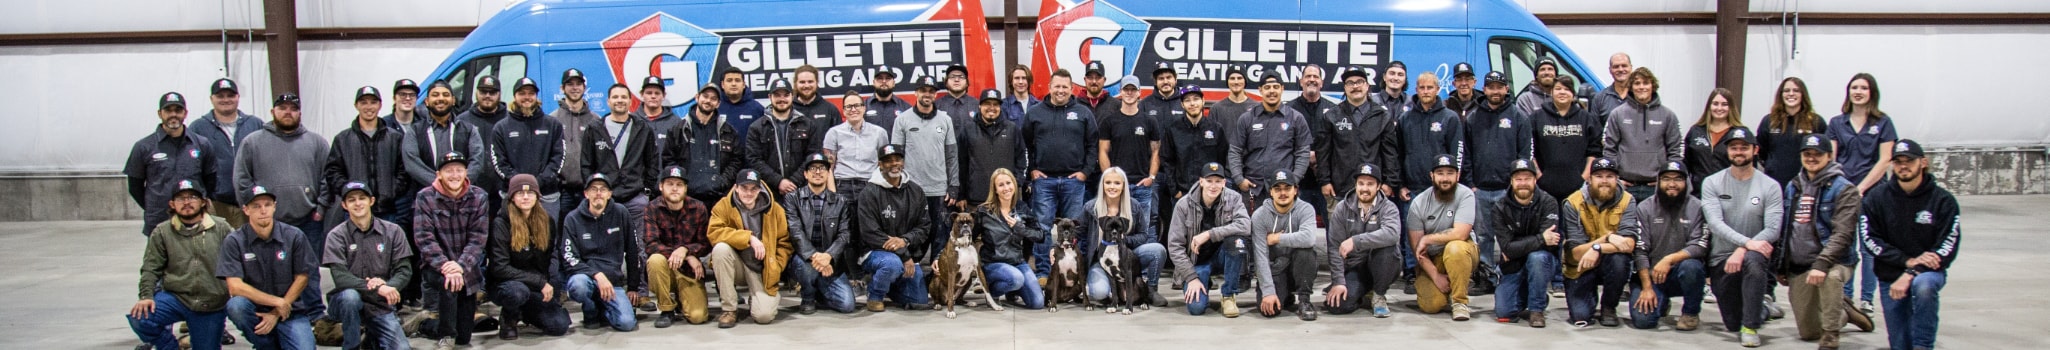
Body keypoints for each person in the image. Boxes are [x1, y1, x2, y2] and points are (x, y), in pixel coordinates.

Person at [1860, 139, 1959, 350]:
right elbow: (1870, 240)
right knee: (1900, 345)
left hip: (1928, 271)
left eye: (1909, 161)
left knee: (1923, 287)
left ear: (1923, 162)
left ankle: (1924, 346)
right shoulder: (1876, 198)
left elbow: (1947, 247)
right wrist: (1906, 261)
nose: (1903, 166)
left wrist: (1913, 271)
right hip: (1890, 274)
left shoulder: (1943, 201)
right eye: (1898, 161)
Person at [1781, 134, 1872, 350]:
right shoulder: (1793, 187)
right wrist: (1782, 265)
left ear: (1829, 156)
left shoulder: (1845, 189)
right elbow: (1786, 230)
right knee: (1808, 332)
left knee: (1831, 278)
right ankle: (1844, 313)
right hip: (1801, 264)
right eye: (1807, 154)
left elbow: (1843, 234)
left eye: (1817, 154)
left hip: (1835, 262)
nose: (1812, 158)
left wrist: (1822, 264)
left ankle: (1831, 334)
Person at [1700, 126, 1785, 347]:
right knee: (1731, 323)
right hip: (1721, 258)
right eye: (1734, 148)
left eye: (1744, 148)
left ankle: (1751, 327)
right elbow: (1715, 224)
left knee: (1754, 262)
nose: (1739, 152)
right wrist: (1746, 242)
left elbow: (1773, 229)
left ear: (1755, 150)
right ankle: (1762, 308)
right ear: (1728, 152)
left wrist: (1744, 249)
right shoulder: (1712, 183)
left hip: (1755, 255)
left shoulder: (1770, 186)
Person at [129, 180, 231, 350]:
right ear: (172, 204)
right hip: (176, 298)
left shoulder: (222, 228)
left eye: (192, 197)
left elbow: (237, 262)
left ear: (203, 202)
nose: (186, 203)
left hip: (211, 303)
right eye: (180, 198)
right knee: (140, 317)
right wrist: (146, 295)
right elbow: (150, 268)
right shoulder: (162, 231)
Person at [220, 185, 323, 350]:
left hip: (290, 312)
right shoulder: (234, 241)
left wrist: (277, 312)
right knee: (236, 306)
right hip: (256, 311)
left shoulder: (294, 235)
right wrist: (276, 302)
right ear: (246, 210)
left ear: (274, 206)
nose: (263, 210)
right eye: (256, 206)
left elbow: (302, 277)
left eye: (267, 205)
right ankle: (265, 345)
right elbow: (235, 286)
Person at [1826, 73, 1895, 313]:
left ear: (1871, 93)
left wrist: (1862, 188)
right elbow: (1831, 158)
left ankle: (1867, 299)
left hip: (1873, 193)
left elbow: (1885, 159)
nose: (1858, 91)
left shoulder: (1883, 123)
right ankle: (1846, 297)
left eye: (1863, 88)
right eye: (1854, 87)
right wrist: (1844, 188)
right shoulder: (1837, 123)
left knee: (1868, 247)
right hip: (1843, 192)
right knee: (1846, 244)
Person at [1464, 70, 1535, 295]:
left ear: (1506, 89)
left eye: (1499, 87)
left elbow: (1526, 154)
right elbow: (1465, 153)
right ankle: (1485, 277)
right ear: (1484, 90)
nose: (1495, 91)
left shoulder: (1518, 116)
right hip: (1481, 189)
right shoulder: (1473, 117)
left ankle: (1511, 277)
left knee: (1512, 236)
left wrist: (1517, 185)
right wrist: (1471, 184)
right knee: (1483, 236)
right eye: (1491, 87)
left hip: (1508, 191)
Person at [235, 93, 331, 257]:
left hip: (309, 222)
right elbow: (241, 179)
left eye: (293, 109)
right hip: (267, 222)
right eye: (282, 108)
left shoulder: (317, 143)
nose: (288, 112)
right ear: (272, 111)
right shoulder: (252, 142)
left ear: (300, 114)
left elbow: (327, 178)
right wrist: (254, 210)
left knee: (309, 271)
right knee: (271, 272)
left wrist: (321, 209)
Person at [320, 182, 413, 350]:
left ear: (371, 201)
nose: (357, 203)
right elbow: (340, 277)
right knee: (350, 297)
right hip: (343, 302)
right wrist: (376, 288)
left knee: (402, 348)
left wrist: (389, 287)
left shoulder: (393, 231)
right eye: (352, 200)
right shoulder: (336, 235)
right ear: (344, 205)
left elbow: (404, 270)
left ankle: (371, 338)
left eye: (362, 198)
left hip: (380, 303)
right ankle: (352, 346)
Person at [1023, 69, 1097, 278]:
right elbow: (1025, 146)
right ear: (1049, 87)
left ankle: (1072, 274)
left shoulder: (1083, 113)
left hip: (1074, 181)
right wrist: (1032, 171)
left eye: (1065, 86)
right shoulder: (1035, 112)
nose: (1061, 90)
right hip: (1044, 181)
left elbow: (1093, 145)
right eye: (1057, 86)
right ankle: (1045, 273)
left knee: (1074, 229)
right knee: (1043, 229)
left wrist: (1085, 172)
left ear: (1071, 88)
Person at [412, 153, 490, 349]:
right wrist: (446, 266)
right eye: (449, 170)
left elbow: (478, 238)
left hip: (467, 268)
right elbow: (424, 238)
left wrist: (460, 266)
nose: (454, 175)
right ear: (439, 174)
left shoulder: (479, 196)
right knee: (449, 284)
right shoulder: (425, 197)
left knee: (464, 337)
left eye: (459, 170)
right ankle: (445, 336)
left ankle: (425, 324)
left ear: (466, 172)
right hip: (436, 268)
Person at [1396, 72, 1464, 292]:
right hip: (1413, 188)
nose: (1425, 92)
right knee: (1411, 234)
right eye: (1422, 88)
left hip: (1441, 190)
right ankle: (1410, 273)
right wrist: (1400, 184)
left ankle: (1440, 270)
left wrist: (1454, 183)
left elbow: (1458, 152)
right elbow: (1398, 153)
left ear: (1438, 89)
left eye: (1430, 88)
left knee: (1441, 232)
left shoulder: (1450, 117)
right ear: (1416, 89)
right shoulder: (1406, 118)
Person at [1623, 161, 1709, 331]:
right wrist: (1647, 287)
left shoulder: (1697, 207)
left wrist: (1670, 259)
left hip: (1681, 273)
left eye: (1678, 179)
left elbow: (1700, 244)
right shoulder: (1645, 207)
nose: (1672, 184)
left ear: (1686, 182)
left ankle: (1690, 312)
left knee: (1692, 267)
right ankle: (1661, 303)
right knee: (1643, 321)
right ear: (1658, 181)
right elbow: (1640, 250)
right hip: (1652, 275)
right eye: (1666, 179)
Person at [487, 174, 572, 339]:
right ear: (512, 197)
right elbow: (500, 268)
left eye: (530, 193)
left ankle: (525, 312)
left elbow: (551, 256)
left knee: (559, 326)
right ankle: (509, 317)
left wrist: (549, 281)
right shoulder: (501, 223)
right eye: (520, 193)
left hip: (535, 285)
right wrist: (539, 282)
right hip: (507, 284)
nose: (525, 197)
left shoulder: (547, 222)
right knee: (518, 292)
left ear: (537, 196)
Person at [706, 169, 794, 327]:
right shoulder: (724, 205)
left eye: (753, 188)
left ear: (760, 189)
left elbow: (785, 243)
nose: (749, 193)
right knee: (720, 249)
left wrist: (776, 265)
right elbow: (714, 232)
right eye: (744, 188)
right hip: (736, 264)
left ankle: (757, 296)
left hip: (762, 269)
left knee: (764, 316)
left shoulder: (775, 210)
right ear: (736, 188)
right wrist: (749, 238)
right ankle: (729, 309)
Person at [561, 173, 644, 332]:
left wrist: (633, 286)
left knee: (627, 323)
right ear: (586, 193)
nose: (598, 193)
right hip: (586, 278)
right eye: (593, 189)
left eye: (603, 189)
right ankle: (590, 308)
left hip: (613, 282)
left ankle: (603, 310)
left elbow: (633, 250)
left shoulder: (621, 213)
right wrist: (596, 275)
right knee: (578, 285)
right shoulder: (573, 218)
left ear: (609, 194)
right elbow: (569, 257)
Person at [1166, 163, 1252, 317]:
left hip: (1222, 257)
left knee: (1237, 242)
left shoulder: (1234, 198)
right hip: (1196, 262)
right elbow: (1174, 246)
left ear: (1224, 183)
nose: (1213, 186)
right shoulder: (1183, 205)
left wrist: (1209, 234)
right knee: (1196, 309)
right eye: (1209, 181)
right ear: (1201, 181)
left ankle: (1228, 296)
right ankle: (1203, 279)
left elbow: (1245, 226)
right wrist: (1191, 278)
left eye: (1218, 181)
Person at [128, 91, 217, 235]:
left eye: (178, 110)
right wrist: (154, 206)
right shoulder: (143, 147)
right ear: (159, 113)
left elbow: (210, 180)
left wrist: (197, 205)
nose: (173, 114)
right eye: (168, 110)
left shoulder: (202, 144)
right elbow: (134, 187)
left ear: (185, 113)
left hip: (195, 219)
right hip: (159, 219)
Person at [856, 145, 933, 311]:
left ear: (903, 162)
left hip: (906, 252)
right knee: (892, 265)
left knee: (919, 302)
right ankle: (875, 294)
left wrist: (905, 240)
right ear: (880, 164)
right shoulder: (868, 193)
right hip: (875, 252)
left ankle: (886, 284)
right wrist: (903, 255)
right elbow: (871, 234)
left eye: (897, 159)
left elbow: (924, 226)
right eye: (888, 161)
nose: (894, 164)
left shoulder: (916, 191)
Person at [892, 75, 961, 259]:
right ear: (916, 92)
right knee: (914, 240)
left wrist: (953, 185)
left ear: (935, 95)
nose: (927, 94)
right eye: (923, 90)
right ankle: (912, 276)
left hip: (939, 191)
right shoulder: (903, 120)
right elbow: (896, 159)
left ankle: (936, 280)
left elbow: (952, 155)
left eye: (931, 91)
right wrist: (898, 186)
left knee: (940, 240)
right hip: (912, 190)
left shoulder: (945, 120)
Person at [322, 86, 410, 231]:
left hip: (387, 211)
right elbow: (332, 171)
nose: (369, 107)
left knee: (388, 252)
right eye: (363, 102)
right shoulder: (343, 139)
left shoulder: (395, 138)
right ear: (356, 105)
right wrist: (348, 191)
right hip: (355, 213)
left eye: (373, 102)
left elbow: (404, 170)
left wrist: (392, 190)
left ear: (380, 105)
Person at [1563, 157, 1637, 328]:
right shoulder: (1572, 203)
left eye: (1610, 176)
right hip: (1580, 266)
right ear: (1589, 179)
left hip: (1610, 261)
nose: (1604, 181)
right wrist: (1608, 238)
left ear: (1617, 179)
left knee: (1620, 260)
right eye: (1599, 176)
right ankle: (1589, 295)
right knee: (1580, 316)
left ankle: (1609, 307)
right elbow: (1575, 253)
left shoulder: (1628, 200)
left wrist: (1597, 248)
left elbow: (1629, 245)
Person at [1324, 164, 1403, 318]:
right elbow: (1334, 247)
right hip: (1355, 267)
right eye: (1361, 183)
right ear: (1355, 185)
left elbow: (1392, 234)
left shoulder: (1389, 208)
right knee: (1336, 306)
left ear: (1379, 186)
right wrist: (1339, 281)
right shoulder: (1342, 208)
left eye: (1370, 184)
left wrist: (1356, 241)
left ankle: (1379, 295)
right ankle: (1362, 291)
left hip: (1382, 264)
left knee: (1387, 248)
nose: (1365, 188)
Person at [581, 83, 662, 233]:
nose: (620, 100)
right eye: (615, 97)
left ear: (631, 101)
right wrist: (595, 192)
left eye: (624, 97)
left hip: (635, 198)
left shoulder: (643, 128)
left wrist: (646, 191)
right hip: (604, 198)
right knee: (606, 243)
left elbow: (652, 163)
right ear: (608, 101)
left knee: (638, 247)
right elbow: (586, 164)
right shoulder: (594, 128)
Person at [1082, 167, 1168, 309]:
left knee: (1157, 250)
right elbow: (1079, 234)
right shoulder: (1091, 207)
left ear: (1124, 185)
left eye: (1117, 183)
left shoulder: (1134, 205)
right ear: (1102, 184)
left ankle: (1150, 290)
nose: (1112, 187)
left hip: (1128, 254)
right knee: (1098, 292)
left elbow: (1143, 235)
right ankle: (1115, 292)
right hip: (1102, 260)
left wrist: (1125, 240)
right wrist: (1057, 248)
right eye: (1108, 182)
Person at [1318, 69, 1400, 216]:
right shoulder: (1332, 116)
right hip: (1339, 191)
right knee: (1338, 238)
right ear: (1344, 88)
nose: (1355, 86)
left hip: (1373, 190)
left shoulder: (1382, 116)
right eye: (1350, 83)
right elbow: (1323, 153)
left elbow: (1390, 154)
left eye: (1359, 82)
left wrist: (1389, 183)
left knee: (1371, 238)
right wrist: (1325, 181)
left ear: (1367, 86)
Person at [1407, 154, 1479, 320]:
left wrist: (1427, 239)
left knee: (1455, 248)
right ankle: (1451, 285)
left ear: (1458, 175)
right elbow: (1417, 249)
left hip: (1463, 251)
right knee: (1431, 305)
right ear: (1432, 176)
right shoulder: (1418, 203)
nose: (1445, 178)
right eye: (1440, 173)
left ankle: (1460, 301)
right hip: (1432, 259)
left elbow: (1461, 233)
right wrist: (1435, 276)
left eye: (1450, 173)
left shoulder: (1466, 195)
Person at [1490, 159, 1560, 327]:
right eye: (1518, 179)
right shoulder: (1500, 208)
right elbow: (1507, 248)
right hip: (1513, 264)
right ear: (1511, 181)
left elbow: (1550, 244)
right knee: (1504, 312)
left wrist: (1518, 245)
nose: (1523, 183)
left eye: (1527, 178)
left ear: (1535, 180)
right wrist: (1540, 238)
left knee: (1537, 258)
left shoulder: (1548, 202)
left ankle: (1537, 309)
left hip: (1542, 261)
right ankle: (1536, 294)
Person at [784, 156, 858, 315]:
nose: (818, 172)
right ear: (805, 174)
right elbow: (795, 232)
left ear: (828, 173)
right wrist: (815, 256)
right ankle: (808, 296)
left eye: (822, 168)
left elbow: (845, 234)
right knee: (807, 268)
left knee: (847, 305)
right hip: (804, 258)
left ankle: (818, 289)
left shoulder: (841, 201)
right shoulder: (792, 198)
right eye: (813, 168)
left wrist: (829, 256)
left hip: (831, 260)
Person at [643, 166, 714, 326]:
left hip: (688, 271)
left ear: (685, 188)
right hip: (665, 268)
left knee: (698, 317)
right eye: (670, 184)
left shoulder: (699, 208)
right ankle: (666, 309)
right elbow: (651, 244)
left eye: (679, 184)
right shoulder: (652, 208)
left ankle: (683, 300)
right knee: (655, 260)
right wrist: (683, 254)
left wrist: (686, 250)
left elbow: (706, 243)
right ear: (661, 186)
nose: (675, 188)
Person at [1228, 73, 1313, 207]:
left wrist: (1294, 179)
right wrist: (1239, 179)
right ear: (1260, 90)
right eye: (1267, 87)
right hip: (1254, 189)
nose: (1272, 91)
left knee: (1285, 228)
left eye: (1275, 87)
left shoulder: (1296, 118)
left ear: (1282, 89)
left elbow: (1303, 153)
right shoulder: (1247, 118)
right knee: (1252, 228)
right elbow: (1235, 151)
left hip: (1284, 190)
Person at [1246, 170, 1321, 320]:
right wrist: (1268, 292)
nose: (1283, 193)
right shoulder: (1260, 215)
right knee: (1270, 311)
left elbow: (1309, 238)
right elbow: (1260, 255)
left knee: (1306, 252)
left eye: (1287, 188)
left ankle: (1304, 300)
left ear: (1295, 190)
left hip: (1297, 265)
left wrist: (1277, 238)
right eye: (1278, 189)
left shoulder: (1305, 209)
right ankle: (1284, 295)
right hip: (1275, 268)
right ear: (1271, 192)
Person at [1098, 76, 1162, 248]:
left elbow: (1156, 151)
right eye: (1126, 89)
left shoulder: (1149, 121)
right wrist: (1109, 179)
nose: (1129, 93)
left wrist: (1152, 177)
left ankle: (1143, 271)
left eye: (1133, 89)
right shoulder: (1110, 121)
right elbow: (1103, 151)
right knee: (1114, 228)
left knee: (1144, 229)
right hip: (1117, 188)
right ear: (1121, 92)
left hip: (1142, 185)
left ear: (1139, 93)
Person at [1602, 68, 1685, 201]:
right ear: (1631, 87)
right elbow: (1608, 149)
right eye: (1637, 83)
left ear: (1653, 86)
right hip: (1625, 186)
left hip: (1656, 187)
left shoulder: (1668, 115)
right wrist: (1614, 179)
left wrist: (1668, 181)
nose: (1641, 87)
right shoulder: (1617, 114)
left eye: (1645, 83)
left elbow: (1676, 151)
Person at [491, 77, 569, 217]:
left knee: (547, 237)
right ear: (514, 96)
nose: (527, 97)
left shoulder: (553, 125)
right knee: (515, 238)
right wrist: (520, 185)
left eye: (531, 93)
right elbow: (499, 162)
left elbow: (559, 158)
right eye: (522, 93)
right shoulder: (501, 128)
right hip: (513, 195)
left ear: (536, 96)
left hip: (547, 195)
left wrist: (537, 182)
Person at [191, 78, 264, 228]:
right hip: (216, 204)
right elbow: (192, 167)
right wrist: (202, 195)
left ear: (238, 97)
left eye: (230, 95)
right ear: (212, 99)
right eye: (220, 96)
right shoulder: (198, 128)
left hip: (250, 202)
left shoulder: (255, 124)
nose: (226, 100)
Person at [1158, 84, 1228, 231]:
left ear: (1203, 101)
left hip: (1210, 194)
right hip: (1182, 194)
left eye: (1196, 99)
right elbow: (1167, 160)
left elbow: (1223, 159)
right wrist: (1174, 190)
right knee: (1181, 235)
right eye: (1188, 100)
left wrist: (1217, 188)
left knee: (1210, 236)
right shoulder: (1173, 129)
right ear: (1182, 104)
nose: (1192, 103)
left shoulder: (1216, 128)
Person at [661, 83, 743, 205]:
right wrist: (682, 182)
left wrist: (722, 182)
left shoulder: (728, 131)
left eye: (713, 98)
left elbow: (736, 160)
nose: (708, 101)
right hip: (686, 200)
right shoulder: (678, 129)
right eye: (705, 96)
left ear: (718, 104)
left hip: (718, 199)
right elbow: (669, 159)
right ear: (697, 97)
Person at [976, 169, 1046, 310]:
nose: (1006, 188)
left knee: (1037, 303)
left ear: (1014, 185)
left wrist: (1020, 228)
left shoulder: (1022, 207)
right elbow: (968, 236)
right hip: (992, 263)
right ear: (995, 189)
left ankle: (1012, 290)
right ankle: (991, 292)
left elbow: (1040, 236)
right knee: (1016, 278)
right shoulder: (983, 212)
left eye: (1008, 183)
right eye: (1001, 185)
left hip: (1017, 262)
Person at [749, 78, 822, 199]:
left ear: (792, 96)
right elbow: (753, 160)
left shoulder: (808, 125)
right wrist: (778, 181)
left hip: (802, 191)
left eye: (786, 95)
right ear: (770, 97)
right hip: (769, 193)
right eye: (777, 95)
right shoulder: (756, 127)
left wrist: (794, 181)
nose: (782, 99)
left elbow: (813, 156)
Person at [1532, 77, 1602, 201]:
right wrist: (1539, 177)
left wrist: (1583, 178)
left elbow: (1594, 151)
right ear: (1551, 92)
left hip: (1579, 189)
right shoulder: (1537, 117)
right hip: (1545, 189)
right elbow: (1530, 150)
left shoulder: (1587, 118)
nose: (1562, 92)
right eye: (1558, 89)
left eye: (1567, 89)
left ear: (1573, 94)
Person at [1283, 65, 1334, 222]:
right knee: (1296, 228)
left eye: (1316, 76)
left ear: (1322, 82)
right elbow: (1283, 142)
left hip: (1325, 181)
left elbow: (1338, 144)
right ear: (1301, 81)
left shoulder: (1333, 110)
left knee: (1333, 230)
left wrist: (1318, 156)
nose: (1312, 79)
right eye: (1308, 76)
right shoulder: (1288, 109)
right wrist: (1305, 156)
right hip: (1298, 180)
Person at [961, 89, 1026, 209]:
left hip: (1006, 199)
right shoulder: (968, 129)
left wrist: (1017, 182)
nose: (991, 108)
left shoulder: (1012, 129)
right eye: (987, 104)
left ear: (1000, 107)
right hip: (976, 198)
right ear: (980, 105)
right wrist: (961, 194)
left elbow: (1021, 159)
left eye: (995, 104)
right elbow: (961, 163)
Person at [1758, 77, 1829, 184]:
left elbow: (1824, 151)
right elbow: (1761, 151)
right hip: (1775, 181)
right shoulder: (1769, 121)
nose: (1791, 94)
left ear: (1803, 95)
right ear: (1781, 95)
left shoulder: (1816, 121)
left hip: (1806, 182)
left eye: (1796, 90)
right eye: (1786, 91)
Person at [457, 76, 510, 208]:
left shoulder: (510, 120)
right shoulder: (462, 121)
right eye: (483, 92)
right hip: (471, 189)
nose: (487, 96)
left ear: (499, 94)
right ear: (476, 93)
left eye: (492, 92)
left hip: (503, 189)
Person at [823, 91, 888, 198]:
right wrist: (832, 194)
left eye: (857, 105)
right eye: (849, 106)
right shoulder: (833, 133)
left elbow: (884, 165)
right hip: (842, 186)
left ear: (864, 108)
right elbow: (828, 168)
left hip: (871, 184)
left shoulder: (879, 133)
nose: (853, 110)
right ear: (843, 111)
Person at [554, 69, 601, 209]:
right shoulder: (553, 120)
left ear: (584, 88)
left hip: (588, 189)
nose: (575, 88)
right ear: (562, 88)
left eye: (578, 84)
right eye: (570, 84)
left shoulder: (595, 120)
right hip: (561, 190)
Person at [1685, 89, 1742, 196]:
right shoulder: (1696, 131)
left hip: (1729, 194)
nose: (1719, 108)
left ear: (1731, 107)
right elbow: (1686, 163)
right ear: (1709, 106)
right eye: (1715, 104)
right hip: (1699, 193)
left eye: (1724, 104)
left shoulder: (1739, 134)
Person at [790, 65, 843, 148]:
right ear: (795, 83)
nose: (806, 85)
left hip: (822, 160)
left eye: (810, 81)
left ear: (817, 82)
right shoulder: (788, 109)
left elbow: (840, 140)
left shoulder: (830, 110)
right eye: (802, 82)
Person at [715, 68, 767, 141]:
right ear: (722, 84)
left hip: (749, 152)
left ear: (743, 84)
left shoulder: (757, 108)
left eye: (737, 80)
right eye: (729, 80)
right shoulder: (715, 107)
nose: (733, 84)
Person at [1590, 53, 1635, 124]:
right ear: (1610, 70)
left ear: (1631, 68)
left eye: (1624, 66)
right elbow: (1595, 131)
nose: (1620, 69)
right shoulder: (1600, 98)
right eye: (1616, 67)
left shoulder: (1639, 95)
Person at [865, 67, 910, 132]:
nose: (884, 81)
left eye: (888, 78)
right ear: (874, 83)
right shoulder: (863, 106)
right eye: (880, 78)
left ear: (893, 83)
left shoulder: (905, 108)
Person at [938, 65, 978, 135]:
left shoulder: (977, 105)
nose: (956, 80)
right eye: (952, 77)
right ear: (946, 82)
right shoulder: (936, 106)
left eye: (961, 77)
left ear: (967, 83)